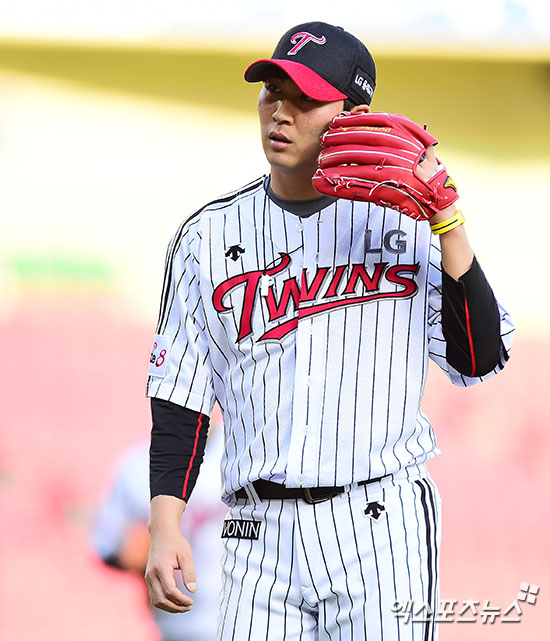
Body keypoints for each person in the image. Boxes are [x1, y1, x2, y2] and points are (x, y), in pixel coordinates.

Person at [144, 21, 514, 641]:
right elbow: (179, 398)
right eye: (272, 91)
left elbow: (477, 359)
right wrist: (164, 526)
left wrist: (449, 221)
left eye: (306, 98)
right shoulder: (206, 237)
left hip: (379, 522)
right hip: (255, 532)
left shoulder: (404, 224)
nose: (280, 112)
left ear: (354, 116)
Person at [92, 424, 226, 641]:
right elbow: (107, 544)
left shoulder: (250, 455)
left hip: (254, 623)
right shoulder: (138, 465)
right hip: (178, 628)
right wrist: (138, 553)